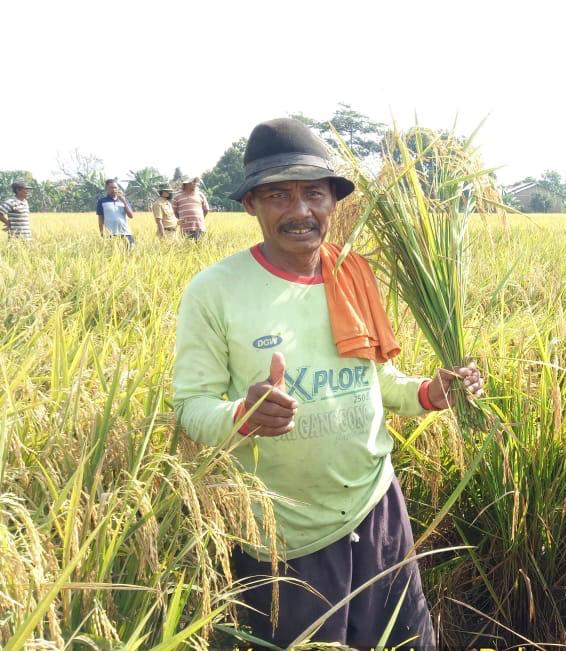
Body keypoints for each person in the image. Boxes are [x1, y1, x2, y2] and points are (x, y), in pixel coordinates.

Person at [172, 117, 484, 648]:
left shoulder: (352, 272)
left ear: (333, 202)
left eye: (314, 193)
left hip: (376, 507)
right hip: (282, 538)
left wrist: (431, 392)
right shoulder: (215, 291)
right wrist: (239, 417)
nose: (300, 211)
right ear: (252, 205)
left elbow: (377, 378)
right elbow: (190, 407)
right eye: (278, 195)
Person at [96, 179, 135, 250]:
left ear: (118, 188)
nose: (113, 189)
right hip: (110, 234)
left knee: (130, 254)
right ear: (107, 189)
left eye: (115, 187)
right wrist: (102, 234)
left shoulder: (123, 200)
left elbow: (131, 216)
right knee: (112, 255)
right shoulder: (101, 201)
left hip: (125, 233)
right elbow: (100, 219)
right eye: (111, 187)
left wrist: (123, 201)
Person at [173, 175, 209, 240]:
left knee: (200, 247)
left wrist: (199, 219)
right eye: (193, 182)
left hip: (199, 227)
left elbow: (206, 209)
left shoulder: (200, 194)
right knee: (186, 247)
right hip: (185, 228)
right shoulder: (177, 196)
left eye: (196, 182)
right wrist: (182, 219)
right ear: (186, 184)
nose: (195, 184)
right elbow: (174, 211)